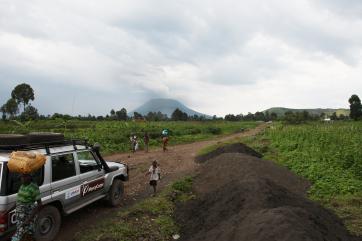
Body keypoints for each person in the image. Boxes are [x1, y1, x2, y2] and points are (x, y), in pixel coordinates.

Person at [12, 173, 42, 241]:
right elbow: (18, 201)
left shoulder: (34, 187)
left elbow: (40, 204)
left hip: (28, 214)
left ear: (29, 177)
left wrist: (29, 219)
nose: (21, 178)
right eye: (21, 177)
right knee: (26, 232)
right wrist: (7, 212)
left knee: (19, 234)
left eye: (24, 176)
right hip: (20, 215)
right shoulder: (22, 186)